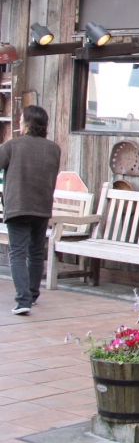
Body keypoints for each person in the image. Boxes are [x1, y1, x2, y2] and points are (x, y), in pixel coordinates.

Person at [0, 106, 61, 315]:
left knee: (17, 253)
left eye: (20, 119)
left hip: (18, 206)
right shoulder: (54, 148)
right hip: (42, 207)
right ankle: (33, 295)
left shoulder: (12, 146)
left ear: (26, 123)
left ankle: (23, 299)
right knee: (36, 252)